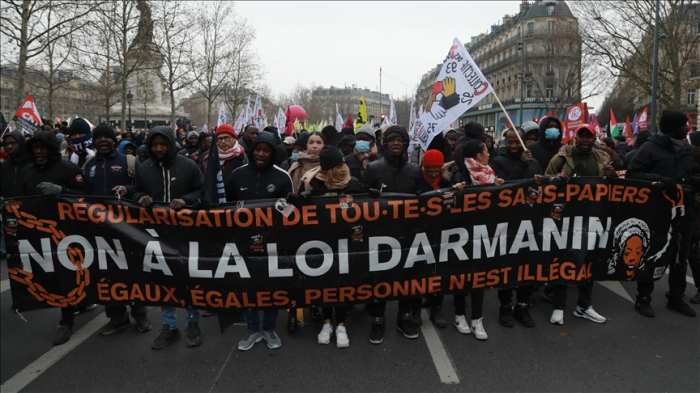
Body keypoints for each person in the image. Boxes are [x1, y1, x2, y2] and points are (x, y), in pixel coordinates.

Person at [132, 126, 205, 349]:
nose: (159, 148)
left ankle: (192, 323)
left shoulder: (188, 166)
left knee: (190, 279)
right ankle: (170, 326)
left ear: (171, 144)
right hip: (156, 237)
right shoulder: (144, 168)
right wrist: (140, 197)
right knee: (164, 282)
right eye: (154, 145)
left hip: (187, 236)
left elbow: (203, 192)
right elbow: (135, 191)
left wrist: (186, 200)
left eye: (163, 144)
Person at [627, 110, 699, 318]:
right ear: (673, 127)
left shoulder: (686, 149)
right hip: (657, 212)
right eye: (684, 125)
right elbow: (634, 173)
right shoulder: (650, 147)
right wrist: (662, 181)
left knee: (680, 257)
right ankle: (643, 297)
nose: (687, 128)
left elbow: (689, 175)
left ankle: (675, 298)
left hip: (684, 211)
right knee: (652, 253)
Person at [544, 124, 617, 325]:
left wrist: (613, 177)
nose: (585, 140)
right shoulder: (560, 158)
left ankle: (584, 306)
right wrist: (555, 179)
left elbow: (613, 188)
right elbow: (544, 182)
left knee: (589, 260)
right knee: (562, 260)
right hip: (565, 218)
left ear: (595, 139)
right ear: (575, 137)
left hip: (592, 218)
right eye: (581, 136)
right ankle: (559, 306)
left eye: (589, 137)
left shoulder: (602, 158)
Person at [22, 130, 89, 345]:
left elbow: (86, 197)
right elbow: (22, 201)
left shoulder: (69, 168)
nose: (38, 151)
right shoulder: (28, 172)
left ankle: (66, 321)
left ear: (51, 149)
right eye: (35, 148)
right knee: (54, 276)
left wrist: (62, 191)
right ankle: (73, 307)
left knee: (68, 274)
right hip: (41, 232)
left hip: (69, 232)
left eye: (42, 147)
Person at [82, 124, 150, 336]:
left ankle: (140, 314)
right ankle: (118, 318)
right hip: (100, 231)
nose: (103, 140)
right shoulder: (89, 165)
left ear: (114, 140)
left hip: (128, 229)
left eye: (107, 137)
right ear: (94, 142)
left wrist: (127, 189)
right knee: (106, 275)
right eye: (98, 137)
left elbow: (143, 188)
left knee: (134, 272)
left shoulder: (129, 162)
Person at [229, 132, 293, 351]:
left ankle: (269, 328)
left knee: (271, 286)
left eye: (266, 150)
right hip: (243, 243)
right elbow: (225, 208)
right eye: (258, 149)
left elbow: (290, 213)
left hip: (272, 243)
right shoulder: (237, 174)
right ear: (252, 150)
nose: (261, 154)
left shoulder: (283, 176)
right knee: (247, 287)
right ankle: (253, 329)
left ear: (273, 152)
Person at [299, 146, 365, 348]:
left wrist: (372, 196)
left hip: (347, 243)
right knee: (325, 284)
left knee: (343, 283)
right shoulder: (311, 185)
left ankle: (342, 325)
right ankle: (327, 323)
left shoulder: (353, 184)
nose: (343, 169)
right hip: (321, 244)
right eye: (337, 166)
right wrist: (299, 201)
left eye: (343, 164)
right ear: (327, 170)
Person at [362, 125, 422, 344]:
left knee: (407, 278)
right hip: (380, 234)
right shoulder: (374, 169)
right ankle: (378, 319)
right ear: (384, 143)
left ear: (405, 144)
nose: (396, 143)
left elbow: (425, 201)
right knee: (380, 277)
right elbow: (361, 202)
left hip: (408, 234)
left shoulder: (415, 170)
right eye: (391, 140)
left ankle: (404, 317)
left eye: (400, 140)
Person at [448, 139, 504, 340]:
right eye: (486, 152)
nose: (489, 154)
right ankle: (459, 315)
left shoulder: (489, 173)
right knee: (462, 276)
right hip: (462, 234)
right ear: (479, 156)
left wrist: (497, 187)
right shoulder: (460, 173)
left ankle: (477, 319)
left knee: (480, 276)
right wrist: (455, 191)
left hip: (483, 233)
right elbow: (447, 202)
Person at [489, 128, 541, 328]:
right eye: (509, 142)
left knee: (528, 264)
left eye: (516, 142)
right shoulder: (498, 162)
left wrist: (541, 181)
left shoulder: (534, 162)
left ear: (523, 141)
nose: (513, 145)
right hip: (508, 222)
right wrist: (521, 164)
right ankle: (505, 305)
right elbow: (505, 187)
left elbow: (540, 188)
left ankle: (522, 304)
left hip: (531, 220)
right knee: (508, 265)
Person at [417, 149, 465, 329]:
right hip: (422, 231)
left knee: (440, 269)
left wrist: (459, 189)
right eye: (429, 169)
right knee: (420, 269)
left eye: (436, 169)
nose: (433, 173)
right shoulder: (418, 178)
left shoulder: (450, 177)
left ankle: (437, 307)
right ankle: (419, 303)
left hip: (444, 230)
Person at [204, 123, 247, 196]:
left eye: (227, 138)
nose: (223, 141)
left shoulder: (244, 157)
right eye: (220, 139)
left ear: (234, 138)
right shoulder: (208, 157)